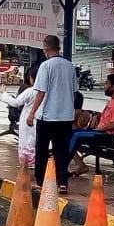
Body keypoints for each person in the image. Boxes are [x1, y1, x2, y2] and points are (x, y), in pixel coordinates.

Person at [26, 35, 77, 193]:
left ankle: (40, 181)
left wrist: (31, 113)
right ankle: (63, 183)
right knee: (61, 150)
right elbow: (74, 93)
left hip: (48, 117)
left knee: (41, 149)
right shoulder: (70, 66)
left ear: (45, 49)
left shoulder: (46, 66)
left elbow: (41, 92)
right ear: (59, 48)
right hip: (66, 117)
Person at [67, 74, 114, 176]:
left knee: (76, 135)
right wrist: (98, 117)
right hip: (100, 132)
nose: (104, 86)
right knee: (67, 134)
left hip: (107, 135)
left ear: (113, 87)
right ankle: (80, 164)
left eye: (106, 83)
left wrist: (99, 129)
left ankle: (62, 164)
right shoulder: (113, 101)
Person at [0, 66, 39, 168]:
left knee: (26, 141)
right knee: (36, 141)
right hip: (41, 120)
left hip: (28, 120)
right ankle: (35, 161)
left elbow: (15, 102)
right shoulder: (47, 91)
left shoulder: (31, 91)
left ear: (31, 77)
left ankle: (27, 162)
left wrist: (4, 93)